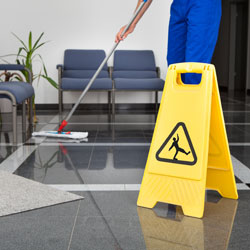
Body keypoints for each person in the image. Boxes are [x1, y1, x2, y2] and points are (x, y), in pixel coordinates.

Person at [116, 0, 222, 84]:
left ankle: (193, 109)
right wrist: (132, 23)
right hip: (179, 5)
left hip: (204, 4)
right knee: (174, 65)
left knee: (194, 68)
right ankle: (179, 109)